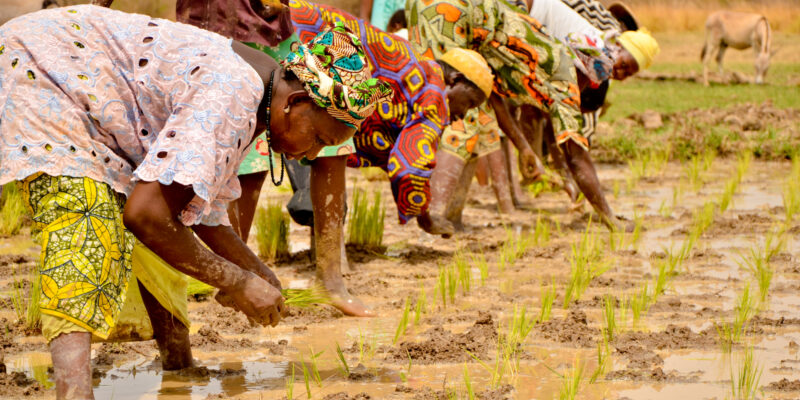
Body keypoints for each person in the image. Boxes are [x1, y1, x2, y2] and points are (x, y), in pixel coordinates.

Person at [0, 5, 390, 398]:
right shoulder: (234, 92)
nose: (309, 156)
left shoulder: (257, 94)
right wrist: (237, 282)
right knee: (88, 222)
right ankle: (74, 392)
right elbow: (146, 216)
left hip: (82, 86)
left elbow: (198, 209)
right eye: (319, 139)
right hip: (44, 69)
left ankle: (179, 369)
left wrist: (254, 270)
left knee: (166, 236)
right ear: (296, 102)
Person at [230, 0, 491, 316]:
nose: (465, 112)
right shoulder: (433, 94)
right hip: (313, 36)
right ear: (454, 81)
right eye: (470, 100)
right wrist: (425, 216)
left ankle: (235, 274)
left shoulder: (418, 70)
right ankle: (326, 281)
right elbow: (410, 168)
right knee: (319, 144)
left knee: (260, 131)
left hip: (280, 15)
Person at [407, 0, 625, 230]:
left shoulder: (541, 55)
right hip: (449, 12)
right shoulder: (565, 79)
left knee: (434, 103)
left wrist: (524, 148)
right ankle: (432, 218)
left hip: (428, 7)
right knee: (459, 118)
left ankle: (442, 214)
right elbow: (577, 158)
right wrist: (610, 218)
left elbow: (488, 91)